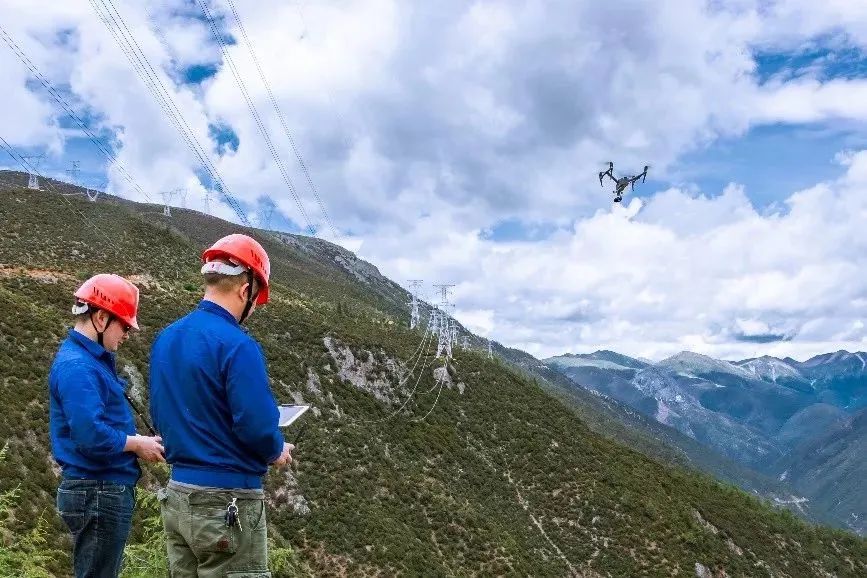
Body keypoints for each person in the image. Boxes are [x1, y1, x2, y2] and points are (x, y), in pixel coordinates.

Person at [150, 233, 293, 577]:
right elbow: (256, 425)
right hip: (227, 503)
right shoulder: (237, 345)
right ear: (246, 290)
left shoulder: (166, 338)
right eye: (256, 300)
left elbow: (161, 413)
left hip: (178, 495)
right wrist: (276, 449)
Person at [49, 274, 165, 578]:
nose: (127, 333)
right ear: (101, 317)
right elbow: (90, 435)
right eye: (124, 325)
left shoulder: (88, 361)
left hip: (97, 490)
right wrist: (136, 444)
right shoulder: (78, 366)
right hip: (98, 490)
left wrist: (137, 441)